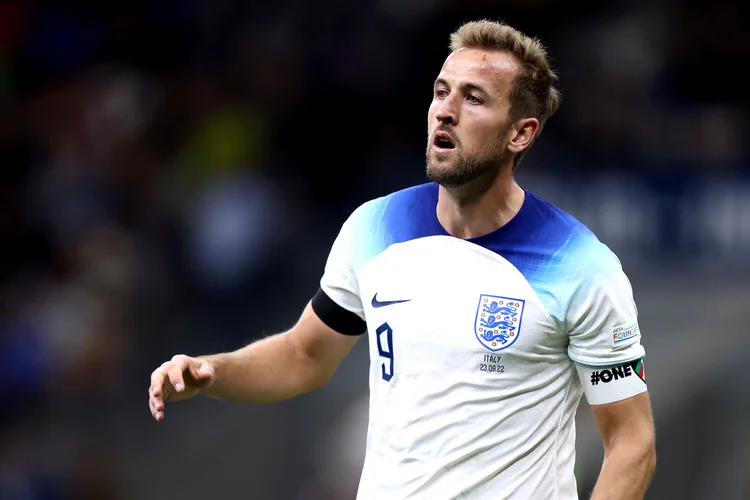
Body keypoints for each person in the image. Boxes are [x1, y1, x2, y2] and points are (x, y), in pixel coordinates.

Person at [148, 19, 656, 500]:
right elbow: (304, 356)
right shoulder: (373, 228)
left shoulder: (581, 265)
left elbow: (632, 443)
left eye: (473, 98)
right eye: (441, 92)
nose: (445, 110)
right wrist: (212, 371)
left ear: (519, 133)